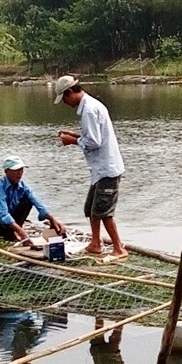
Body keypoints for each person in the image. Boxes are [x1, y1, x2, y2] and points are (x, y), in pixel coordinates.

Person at [54, 75, 128, 260]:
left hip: (107, 169)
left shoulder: (89, 109)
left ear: (70, 92)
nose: (65, 103)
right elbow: (92, 136)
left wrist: (72, 141)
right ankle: (95, 244)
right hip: (99, 170)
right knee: (91, 208)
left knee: (103, 211)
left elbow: (94, 142)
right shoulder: (90, 106)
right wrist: (75, 134)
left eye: (64, 98)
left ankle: (118, 248)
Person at [0, 155, 64, 244]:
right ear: (7, 171)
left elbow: (38, 203)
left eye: (21, 170)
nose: (19, 173)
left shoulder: (23, 186)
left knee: (28, 201)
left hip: (8, 224)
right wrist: (21, 231)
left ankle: (11, 233)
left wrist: (52, 219)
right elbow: (3, 214)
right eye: (16, 170)